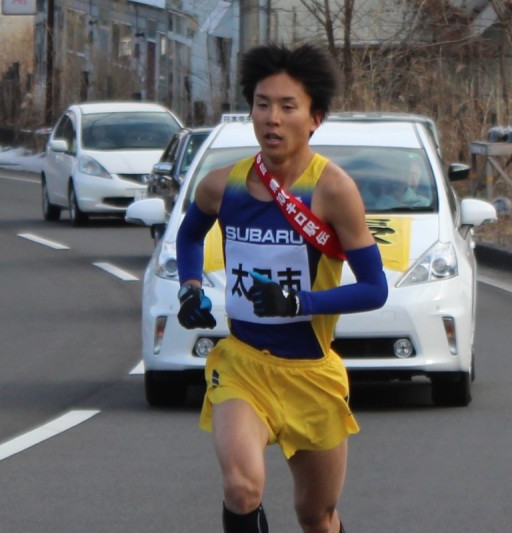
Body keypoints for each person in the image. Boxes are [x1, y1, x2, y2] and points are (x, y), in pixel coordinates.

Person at [175, 43, 388, 533]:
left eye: (288, 107)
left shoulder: (333, 190)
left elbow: (375, 288)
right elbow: (189, 235)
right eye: (262, 104)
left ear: (314, 119)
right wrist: (190, 287)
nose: (272, 118)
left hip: (310, 374)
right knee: (241, 487)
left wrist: (298, 302)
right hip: (243, 366)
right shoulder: (222, 185)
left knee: (316, 516)